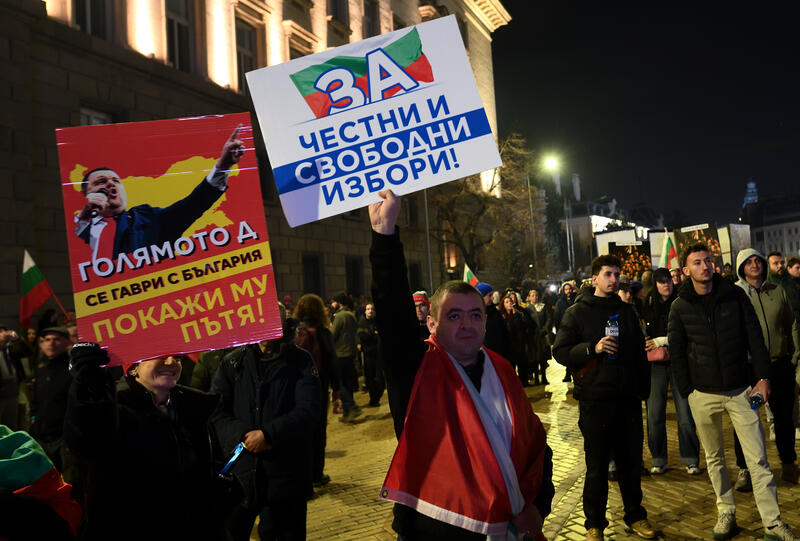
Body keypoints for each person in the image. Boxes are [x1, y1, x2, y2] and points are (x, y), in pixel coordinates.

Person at [369, 190, 553, 540]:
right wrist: (384, 234)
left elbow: (536, 447)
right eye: (454, 315)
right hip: (435, 526)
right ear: (432, 324)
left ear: (485, 321)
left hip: (511, 526)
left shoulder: (502, 371)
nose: (467, 324)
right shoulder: (416, 369)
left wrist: (539, 505)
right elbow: (392, 312)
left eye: (475, 315)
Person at [669, 243, 797, 541]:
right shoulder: (680, 305)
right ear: (686, 270)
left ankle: (772, 523)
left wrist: (763, 377)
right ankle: (726, 510)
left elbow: (754, 338)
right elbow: (677, 351)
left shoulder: (733, 295)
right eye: (697, 262)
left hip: (740, 389)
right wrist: (688, 391)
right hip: (702, 393)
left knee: (758, 458)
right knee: (714, 458)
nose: (705, 266)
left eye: (708, 260)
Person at [64, 343, 227, 540]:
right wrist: (87, 379)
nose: (171, 362)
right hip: (132, 526)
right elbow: (85, 437)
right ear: (133, 368)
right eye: (160, 355)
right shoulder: (111, 407)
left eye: (177, 358)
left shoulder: (194, 407)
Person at [553, 255, 654, 541]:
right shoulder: (577, 312)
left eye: (617, 274)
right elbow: (560, 351)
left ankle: (636, 515)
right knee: (597, 466)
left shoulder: (626, 311)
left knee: (630, 464)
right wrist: (591, 348)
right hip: (595, 400)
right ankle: (594, 524)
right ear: (595, 278)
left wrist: (640, 390)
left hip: (627, 400)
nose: (613, 279)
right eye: (607, 274)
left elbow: (639, 355)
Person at [211, 304, 321, 541]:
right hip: (241, 475)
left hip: (285, 474)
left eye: (275, 319)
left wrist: (269, 435)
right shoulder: (232, 363)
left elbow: (308, 410)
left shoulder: (300, 360)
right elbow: (217, 413)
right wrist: (243, 435)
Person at [74, 126, 244, 260]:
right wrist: (84, 219)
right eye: (101, 182)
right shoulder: (78, 230)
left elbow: (191, 207)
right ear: (85, 194)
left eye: (116, 181)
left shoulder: (147, 218)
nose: (110, 183)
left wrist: (223, 167)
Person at [733, 249, 800, 487]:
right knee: (747, 418)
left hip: (779, 365)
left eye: (757, 261)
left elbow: (790, 322)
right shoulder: (736, 294)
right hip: (750, 369)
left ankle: (789, 463)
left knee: (784, 417)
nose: (754, 265)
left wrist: (793, 355)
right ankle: (746, 469)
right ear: (741, 267)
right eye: (748, 262)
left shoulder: (776, 290)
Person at [641, 268, 700, 475]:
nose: (666, 285)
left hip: (679, 363)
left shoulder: (681, 303)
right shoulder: (647, 305)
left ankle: (691, 459)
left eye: (669, 281)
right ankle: (658, 458)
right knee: (655, 414)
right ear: (655, 284)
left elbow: (686, 333)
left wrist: (662, 340)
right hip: (655, 366)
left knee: (685, 414)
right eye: (662, 281)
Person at [293, 293, 339, 489]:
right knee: (319, 432)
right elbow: (332, 363)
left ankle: (303, 475)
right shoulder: (324, 333)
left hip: (297, 391)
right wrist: (337, 390)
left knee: (301, 432)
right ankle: (317, 475)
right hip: (319, 389)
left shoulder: (295, 332)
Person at [29, 327, 72, 472]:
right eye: (47, 340)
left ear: (67, 342)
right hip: (41, 434)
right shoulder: (41, 367)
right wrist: (33, 420)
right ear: (41, 344)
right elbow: (36, 399)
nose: (51, 343)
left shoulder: (73, 368)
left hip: (63, 436)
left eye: (56, 339)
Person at [330, 292, 361, 423]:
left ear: (338, 302)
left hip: (340, 354)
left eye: (333, 302)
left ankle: (352, 407)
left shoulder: (339, 317)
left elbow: (332, 335)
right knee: (347, 382)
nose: (332, 304)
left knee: (341, 384)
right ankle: (347, 413)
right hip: (350, 353)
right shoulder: (351, 315)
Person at [500, 290, 532, 386]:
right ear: (503, 305)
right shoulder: (502, 317)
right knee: (511, 366)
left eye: (510, 301)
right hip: (508, 345)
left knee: (522, 364)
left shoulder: (518, 314)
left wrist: (515, 315)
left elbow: (520, 327)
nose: (509, 303)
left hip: (519, 344)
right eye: (507, 302)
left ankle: (524, 381)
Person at [357, 301, 384, 407]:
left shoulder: (377, 321)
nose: (370, 311)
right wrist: (373, 334)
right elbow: (363, 337)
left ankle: (376, 397)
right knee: (370, 378)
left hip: (378, 354)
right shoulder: (362, 323)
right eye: (368, 309)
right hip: (368, 354)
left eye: (372, 309)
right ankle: (374, 399)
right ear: (365, 311)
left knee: (380, 379)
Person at [477, 282, 512, 360]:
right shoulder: (474, 315)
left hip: (499, 357)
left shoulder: (495, 313)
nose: (492, 298)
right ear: (481, 296)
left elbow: (505, 335)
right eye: (489, 295)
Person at [525, 289, 551, 386]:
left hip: (542, 336)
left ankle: (544, 377)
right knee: (535, 358)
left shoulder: (543, 307)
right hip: (533, 337)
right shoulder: (527, 309)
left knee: (543, 358)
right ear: (529, 297)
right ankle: (536, 378)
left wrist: (545, 329)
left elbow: (548, 319)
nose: (534, 297)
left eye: (536, 295)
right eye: (532, 295)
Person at [0, 327, 24, 430]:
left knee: (11, 426)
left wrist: (17, 339)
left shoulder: (9, 348)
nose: (3, 334)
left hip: (13, 391)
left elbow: (28, 352)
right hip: (1, 392)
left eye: (4, 331)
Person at [554, 281, 577, 382]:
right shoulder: (560, 302)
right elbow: (557, 316)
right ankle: (568, 373)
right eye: (566, 289)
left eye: (569, 289)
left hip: (575, 329)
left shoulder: (575, 299)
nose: (568, 291)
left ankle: (574, 373)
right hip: (565, 329)